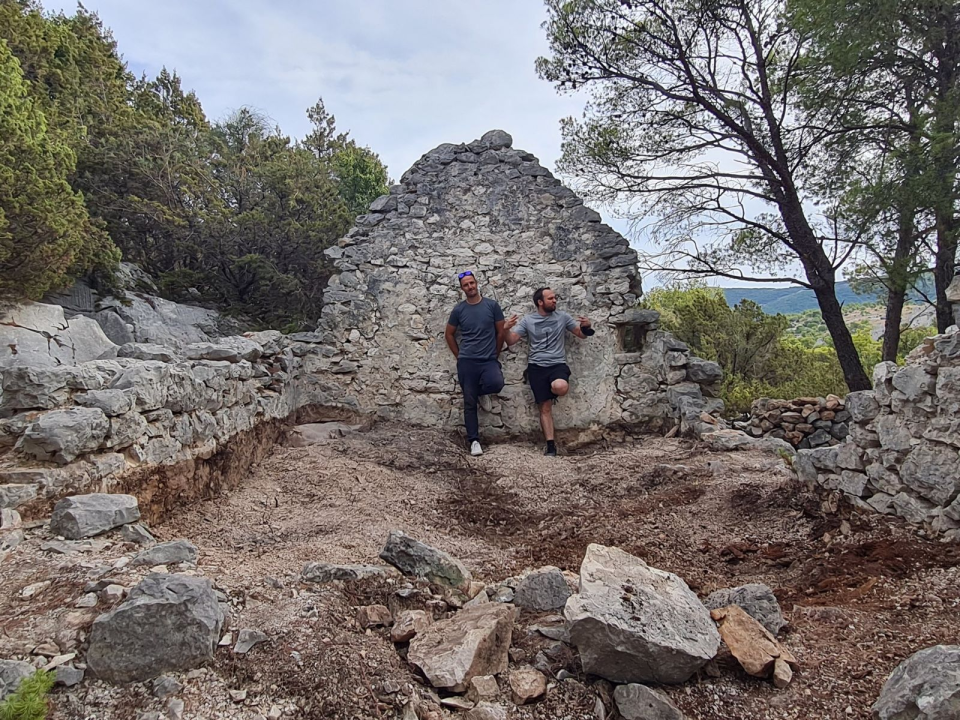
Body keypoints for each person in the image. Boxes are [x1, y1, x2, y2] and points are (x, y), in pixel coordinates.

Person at [503, 287, 594, 456]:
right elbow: (511, 341)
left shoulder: (563, 317)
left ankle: (552, 390)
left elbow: (581, 334)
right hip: (536, 367)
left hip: (557, 364)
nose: (555, 301)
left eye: (555, 297)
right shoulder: (528, 321)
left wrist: (587, 326)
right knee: (544, 408)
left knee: (560, 386)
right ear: (540, 302)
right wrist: (506, 329)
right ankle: (551, 445)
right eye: (550, 298)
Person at [444, 270, 506, 456]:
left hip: (488, 359)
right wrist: (459, 355)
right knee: (469, 402)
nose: (470, 287)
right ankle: (474, 441)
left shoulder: (492, 306)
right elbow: (449, 334)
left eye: (471, 283)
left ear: (476, 283)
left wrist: (495, 353)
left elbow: (501, 332)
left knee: (497, 383)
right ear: (462, 288)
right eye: (466, 285)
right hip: (467, 361)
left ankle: (480, 393)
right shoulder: (459, 310)